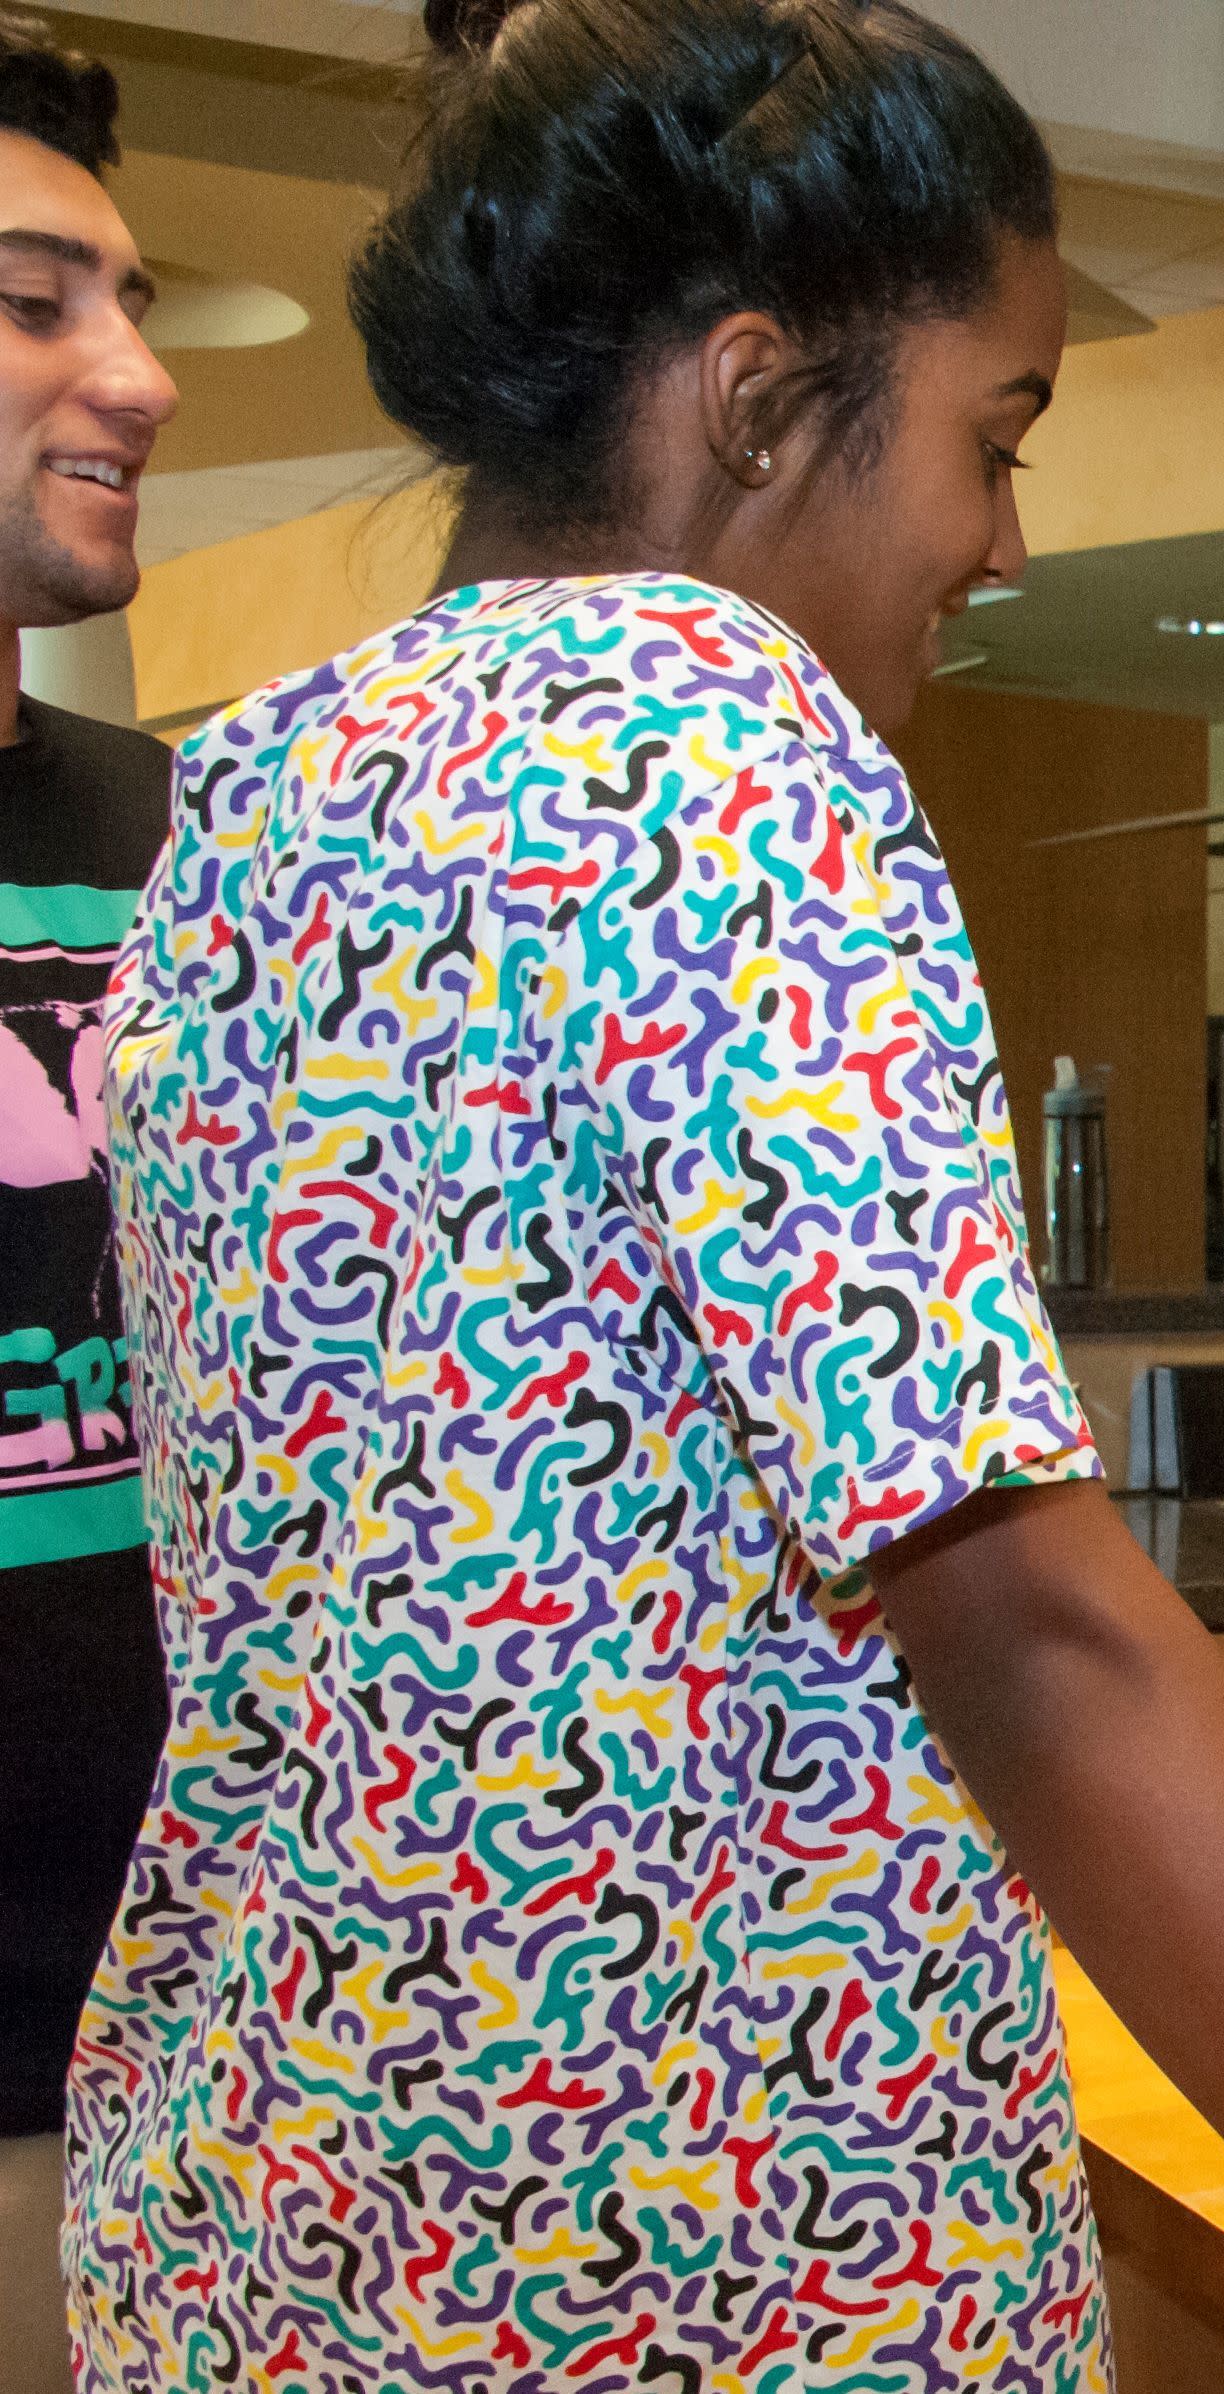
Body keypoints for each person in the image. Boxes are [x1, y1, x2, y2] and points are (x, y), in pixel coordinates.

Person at [71, 5, 1224, 2387]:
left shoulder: (246, 794)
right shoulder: (720, 738)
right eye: (999, 432)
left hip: (269, 2218)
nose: (1005, 538)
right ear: (757, 398)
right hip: (695, 2253)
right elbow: (1034, 1637)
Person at [0, 24, 172, 2394]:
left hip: (171, 2053)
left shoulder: (190, 834)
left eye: (131, 301)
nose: (134, 375)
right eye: (40, 300)